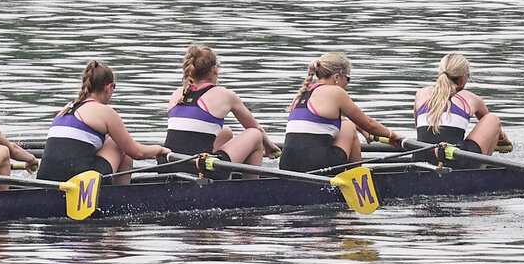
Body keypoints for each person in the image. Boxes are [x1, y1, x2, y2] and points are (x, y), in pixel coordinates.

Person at [37, 61, 169, 185]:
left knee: (103, 141)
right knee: (119, 145)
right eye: (114, 88)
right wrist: (159, 149)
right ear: (109, 87)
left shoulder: (67, 108)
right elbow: (137, 152)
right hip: (78, 183)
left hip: (45, 180)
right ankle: (120, 199)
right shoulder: (105, 112)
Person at [164, 45, 279, 174]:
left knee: (225, 132)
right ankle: (251, 188)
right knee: (256, 135)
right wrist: (268, 145)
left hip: (169, 166)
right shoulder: (225, 95)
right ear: (215, 70)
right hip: (200, 169)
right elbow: (255, 127)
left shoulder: (177, 94)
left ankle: (226, 178)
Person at [279, 52, 402, 173]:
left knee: (347, 124)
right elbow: (368, 124)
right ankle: (359, 180)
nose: (347, 84)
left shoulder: (304, 94)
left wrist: (363, 131)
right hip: (316, 165)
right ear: (337, 77)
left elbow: (339, 120)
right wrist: (392, 135)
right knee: (349, 127)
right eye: (348, 79)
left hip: (286, 166)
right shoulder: (335, 92)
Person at [412, 53, 504, 157]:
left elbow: (420, 131)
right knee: (492, 119)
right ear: (463, 78)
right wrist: (503, 140)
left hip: (420, 158)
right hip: (456, 162)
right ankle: (483, 168)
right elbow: (494, 128)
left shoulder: (421, 94)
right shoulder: (472, 98)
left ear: (439, 73)